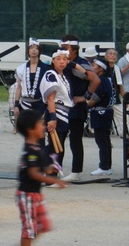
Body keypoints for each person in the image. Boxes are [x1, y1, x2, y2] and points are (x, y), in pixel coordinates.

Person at [15, 108, 66, 246]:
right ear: (31, 130)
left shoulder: (36, 148)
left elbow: (38, 168)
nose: (43, 127)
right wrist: (53, 180)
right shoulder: (30, 151)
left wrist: (49, 168)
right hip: (27, 195)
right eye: (41, 124)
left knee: (44, 225)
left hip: (35, 195)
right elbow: (33, 173)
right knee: (29, 229)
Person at [59, 35, 100, 182]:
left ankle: (76, 171)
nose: (62, 51)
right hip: (62, 105)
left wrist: (85, 96)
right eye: (61, 48)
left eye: (65, 48)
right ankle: (57, 169)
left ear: (74, 49)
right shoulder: (62, 61)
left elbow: (95, 79)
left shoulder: (79, 63)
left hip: (76, 106)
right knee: (58, 138)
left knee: (75, 139)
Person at [39, 49, 75, 178]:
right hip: (56, 112)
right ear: (53, 60)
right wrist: (53, 118)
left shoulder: (62, 76)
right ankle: (50, 176)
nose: (62, 62)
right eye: (58, 59)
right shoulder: (51, 74)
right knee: (55, 146)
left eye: (64, 59)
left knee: (59, 145)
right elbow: (50, 99)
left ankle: (52, 172)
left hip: (64, 113)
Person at [86, 57, 116, 176]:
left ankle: (104, 166)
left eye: (94, 66)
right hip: (105, 112)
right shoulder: (107, 79)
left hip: (101, 112)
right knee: (105, 140)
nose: (92, 68)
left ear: (100, 69)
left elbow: (96, 97)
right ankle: (107, 166)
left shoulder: (101, 80)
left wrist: (86, 105)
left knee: (101, 140)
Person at [13, 40, 48, 118]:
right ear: (28, 51)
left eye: (36, 48)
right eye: (31, 48)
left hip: (40, 103)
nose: (34, 50)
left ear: (39, 51)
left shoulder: (45, 68)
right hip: (25, 103)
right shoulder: (21, 68)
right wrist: (16, 105)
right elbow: (19, 88)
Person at [105, 48, 124, 135]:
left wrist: (125, 98)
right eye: (110, 54)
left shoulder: (117, 69)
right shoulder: (103, 68)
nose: (112, 56)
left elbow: (120, 84)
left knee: (122, 116)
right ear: (106, 56)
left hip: (115, 97)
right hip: (104, 98)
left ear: (116, 58)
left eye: (114, 54)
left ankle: (124, 134)